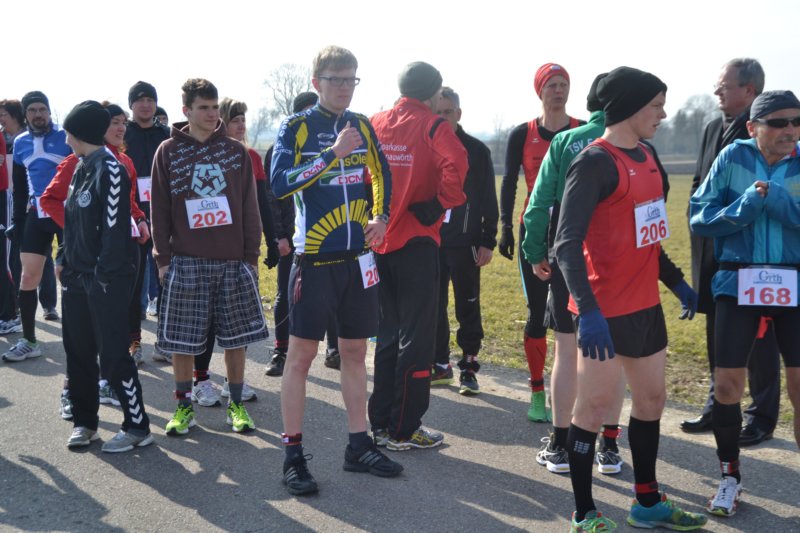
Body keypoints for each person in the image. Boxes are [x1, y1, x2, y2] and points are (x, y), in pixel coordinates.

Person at [555, 66, 705, 531]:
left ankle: (646, 502)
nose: (663, 114)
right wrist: (589, 312)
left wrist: (676, 282)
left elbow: (649, 234)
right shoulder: (594, 162)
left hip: (645, 306)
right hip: (602, 312)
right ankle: (584, 512)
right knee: (593, 409)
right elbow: (565, 245)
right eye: (656, 105)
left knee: (653, 400)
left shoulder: (649, 155)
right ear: (630, 108)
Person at [271, 45, 400, 496]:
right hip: (314, 260)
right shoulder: (296, 126)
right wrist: (331, 155)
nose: (345, 87)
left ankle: (358, 445)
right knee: (301, 357)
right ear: (317, 82)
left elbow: (381, 173)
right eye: (336, 79)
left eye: (351, 79)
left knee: (355, 353)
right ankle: (292, 455)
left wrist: (381, 218)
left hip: (357, 259)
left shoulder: (361, 124)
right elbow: (279, 183)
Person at [690, 90, 800, 517]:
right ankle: (729, 478)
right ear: (753, 127)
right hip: (738, 279)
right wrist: (746, 205)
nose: (790, 130)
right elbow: (700, 217)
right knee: (727, 387)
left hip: (794, 279)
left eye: (797, 122)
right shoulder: (732, 157)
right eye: (779, 123)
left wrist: (777, 200)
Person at [521, 74, 626, 476]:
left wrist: (535, 253)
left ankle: (561, 446)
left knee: (566, 351)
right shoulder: (635, 143)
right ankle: (609, 447)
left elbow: (537, 205)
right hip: (618, 264)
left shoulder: (566, 141)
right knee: (613, 354)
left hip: (570, 258)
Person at [151, 78, 268, 436]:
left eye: (215, 107)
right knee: (183, 341)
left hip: (232, 260)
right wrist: (163, 259)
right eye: (203, 107)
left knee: (235, 339)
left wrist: (251, 256)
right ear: (186, 110)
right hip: (186, 260)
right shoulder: (168, 151)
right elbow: (159, 210)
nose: (212, 114)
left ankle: (236, 405)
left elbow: (250, 206)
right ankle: (184, 408)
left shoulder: (235, 152)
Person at [369, 61, 467, 451]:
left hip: (378, 241)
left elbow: (362, 170)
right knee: (417, 338)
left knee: (387, 335)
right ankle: (404, 428)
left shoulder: (376, 121)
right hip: (417, 243)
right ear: (434, 92)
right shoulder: (433, 125)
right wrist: (441, 202)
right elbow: (458, 163)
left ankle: (380, 423)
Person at [683, 58, 781, 447]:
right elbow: (698, 183)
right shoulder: (712, 127)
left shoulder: (769, 133)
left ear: (749, 91)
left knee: (761, 336)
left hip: (752, 252)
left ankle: (761, 416)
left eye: (724, 86)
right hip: (711, 250)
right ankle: (718, 406)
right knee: (718, 330)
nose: (716, 92)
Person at [57, 100, 153, 453]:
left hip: (106, 279)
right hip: (76, 278)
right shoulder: (80, 167)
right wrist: (63, 257)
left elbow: (114, 228)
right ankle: (85, 423)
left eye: (68, 132)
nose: (65, 139)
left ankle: (137, 427)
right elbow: (72, 221)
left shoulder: (112, 169)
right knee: (78, 352)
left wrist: (102, 276)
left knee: (113, 355)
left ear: (79, 132)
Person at [499, 64, 583, 422]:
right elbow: (509, 182)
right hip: (534, 232)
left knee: (574, 316)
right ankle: (536, 392)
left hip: (574, 232)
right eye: (552, 85)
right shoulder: (523, 133)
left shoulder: (582, 130)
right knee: (537, 314)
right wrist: (505, 226)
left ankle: (571, 391)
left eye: (564, 84)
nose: (559, 91)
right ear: (540, 91)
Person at [432, 86, 497, 395]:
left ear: (458, 113)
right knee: (434, 305)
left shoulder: (477, 150)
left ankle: (469, 367)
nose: (443, 118)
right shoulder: (426, 145)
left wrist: (488, 239)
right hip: (432, 241)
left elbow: (488, 198)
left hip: (466, 242)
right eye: (438, 112)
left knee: (468, 305)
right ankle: (439, 363)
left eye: (448, 112)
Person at [3, 91, 71, 366]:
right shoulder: (20, 142)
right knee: (28, 277)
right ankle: (30, 341)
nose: (38, 114)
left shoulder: (65, 137)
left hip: (67, 214)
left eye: (42, 109)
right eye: (32, 110)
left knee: (72, 277)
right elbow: (19, 188)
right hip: (36, 215)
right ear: (25, 114)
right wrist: (18, 223)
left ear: (49, 111)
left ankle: (84, 343)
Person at [263, 91, 317, 378]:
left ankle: (333, 349)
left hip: (324, 235)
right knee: (285, 293)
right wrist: (279, 236)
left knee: (332, 295)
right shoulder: (279, 149)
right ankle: (280, 351)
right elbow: (272, 196)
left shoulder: (331, 146)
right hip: (292, 237)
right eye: (305, 111)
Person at [124, 81, 170, 364]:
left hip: (164, 216)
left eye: (150, 100)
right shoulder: (123, 133)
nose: (145, 105)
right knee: (133, 283)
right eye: (139, 100)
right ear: (131, 105)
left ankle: (164, 343)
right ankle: (134, 342)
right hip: (132, 217)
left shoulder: (166, 135)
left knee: (167, 281)